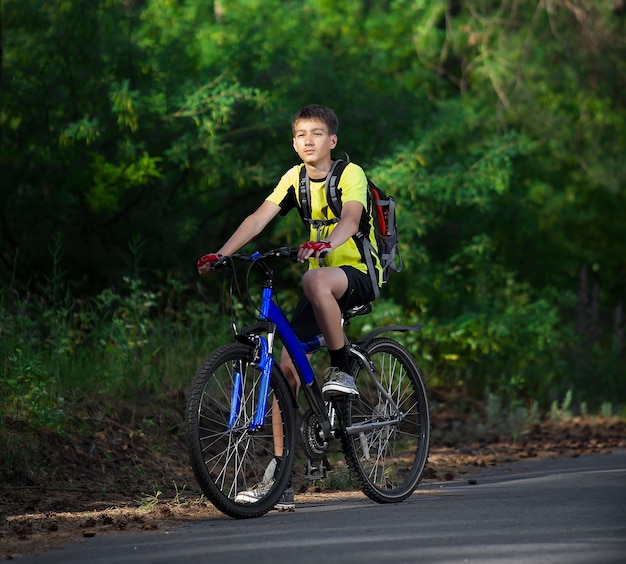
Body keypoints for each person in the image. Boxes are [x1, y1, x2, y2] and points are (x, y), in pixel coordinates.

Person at [197, 104, 382, 510]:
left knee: (313, 278)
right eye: (300, 134)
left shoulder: (349, 174)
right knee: (285, 371)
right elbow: (258, 218)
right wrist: (221, 254)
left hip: (354, 274)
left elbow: (351, 218)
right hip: (320, 286)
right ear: (294, 141)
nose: (308, 141)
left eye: (317, 134)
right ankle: (280, 479)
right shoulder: (293, 179)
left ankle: (344, 369)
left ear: (332, 140)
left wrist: (327, 245)